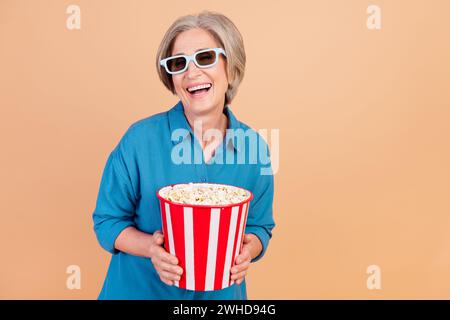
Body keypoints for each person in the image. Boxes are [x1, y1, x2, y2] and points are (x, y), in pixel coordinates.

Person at [92, 10, 275, 299]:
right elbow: (107, 221)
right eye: (179, 63)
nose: (192, 73)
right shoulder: (139, 141)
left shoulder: (255, 149)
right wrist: (151, 249)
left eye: (205, 58)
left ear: (232, 66)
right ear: (172, 77)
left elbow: (260, 225)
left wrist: (249, 250)